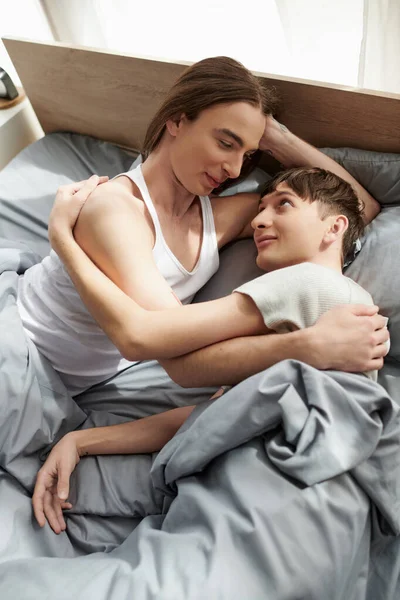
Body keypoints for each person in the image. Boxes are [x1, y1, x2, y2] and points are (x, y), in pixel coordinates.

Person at [33, 166, 389, 533]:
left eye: (283, 205)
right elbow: (217, 413)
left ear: (335, 227)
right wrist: (81, 440)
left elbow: (174, 359)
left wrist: (63, 238)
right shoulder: (353, 304)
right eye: (261, 208)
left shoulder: (304, 282)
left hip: (269, 490)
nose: (259, 221)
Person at [16, 56, 382, 397]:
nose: (236, 170)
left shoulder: (219, 217)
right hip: (25, 352)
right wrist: (62, 238)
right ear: (176, 120)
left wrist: (274, 135)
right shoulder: (116, 209)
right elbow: (150, 336)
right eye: (226, 142)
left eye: (248, 154)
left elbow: (355, 206)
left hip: (83, 380)